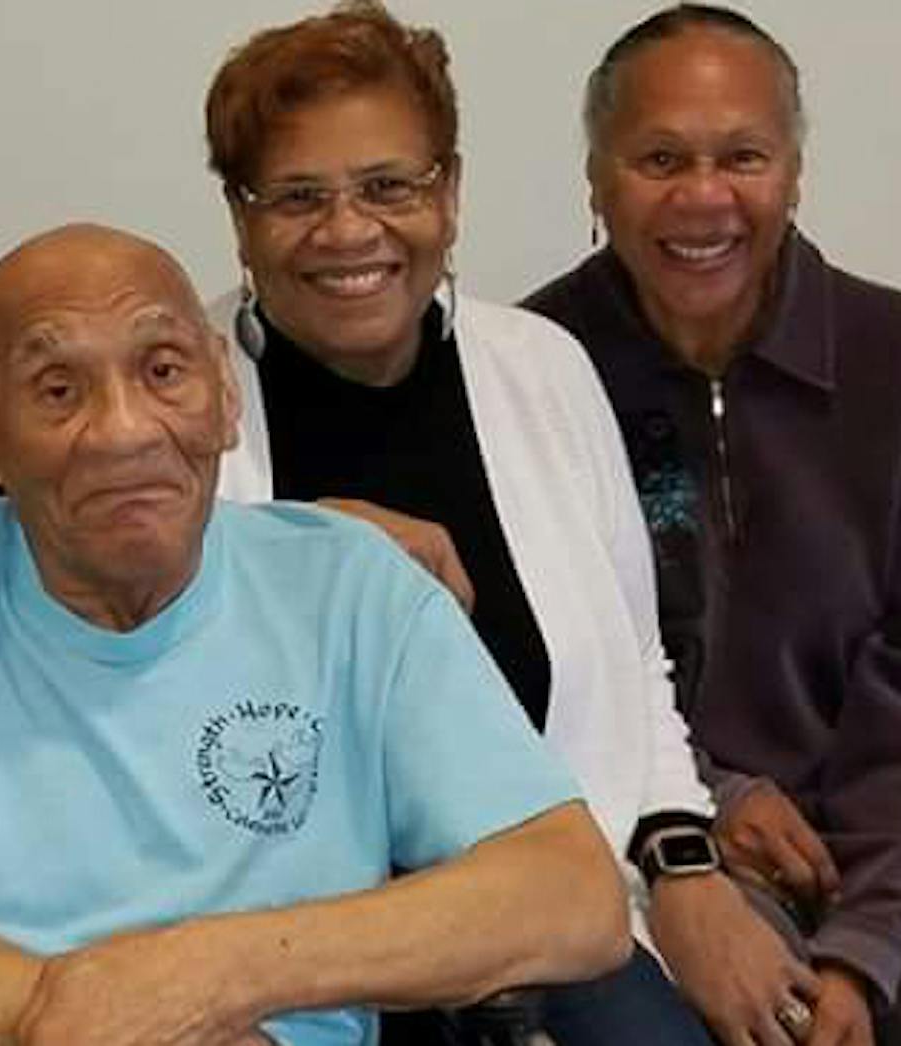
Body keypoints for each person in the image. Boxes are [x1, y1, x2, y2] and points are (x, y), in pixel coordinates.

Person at [0, 223, 630, 1046]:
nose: (122, 432)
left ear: (223, 397)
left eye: (162, 372)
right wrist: (99, 1013)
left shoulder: (350, 585)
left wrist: (216, 977)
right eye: (58, 387)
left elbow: (572, 895)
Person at [202, 5, 767, 1043]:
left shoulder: (544, 368)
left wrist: (682, 861)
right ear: (241, 218)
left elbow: (637, 667)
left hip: (546, 922)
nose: (347, 230)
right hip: (292, 941)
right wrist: (302, 551)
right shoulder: (180, 403)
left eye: (388, 185)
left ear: (449, 194)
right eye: (296, 195)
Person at [524, 6, 901, 1045]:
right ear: (596, 177)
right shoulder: (535, 367)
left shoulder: (900, 357)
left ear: (794, 172)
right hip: (634, 836)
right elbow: (538, 668)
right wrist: (704, 802)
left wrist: (867, 940)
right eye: (660, 157)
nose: (702, 197)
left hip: (861, 848)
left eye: (742, 156)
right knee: (738, 1018)